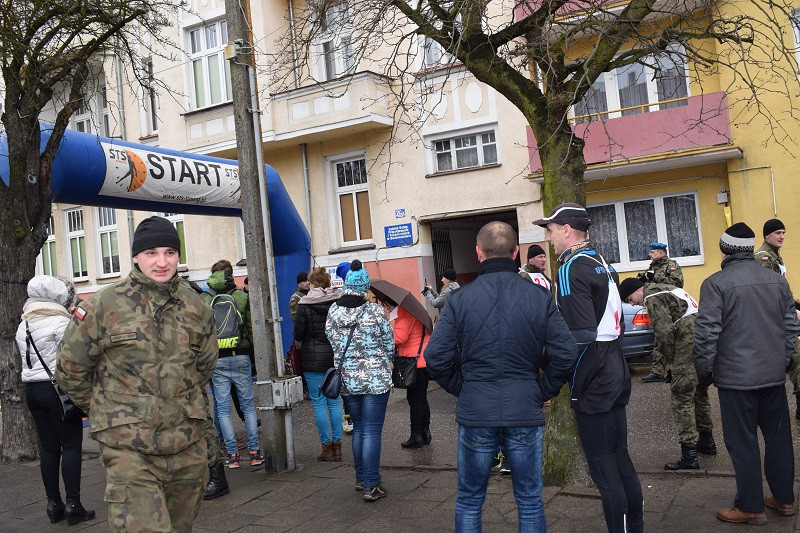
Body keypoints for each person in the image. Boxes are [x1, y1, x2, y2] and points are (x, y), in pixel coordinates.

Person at [56, 216, 218, 532]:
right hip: (129, 448)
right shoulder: (104, 304)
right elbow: (70, 369)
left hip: (187, 445)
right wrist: (110, 410)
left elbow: (203, 366)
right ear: (135, 256)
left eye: (169, 252)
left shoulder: (196, 306)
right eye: (151, 253)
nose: (161, 262)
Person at [425, 221, 578, 532]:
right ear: (516, 252)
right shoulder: (540, 296)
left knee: (469, 499)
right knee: (530, 499)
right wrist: (542, 390)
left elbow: (435, 357)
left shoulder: (458, 299)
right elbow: (566, 352)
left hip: (477, 412)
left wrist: (465, 389)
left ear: (479, 253)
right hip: (524, 408)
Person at [534, 203, 644, 533]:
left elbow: (578, 336)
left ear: (567, 229)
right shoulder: (601, 261)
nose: (549, 237)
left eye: (551, 230)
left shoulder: (569, 266)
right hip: (615, 366)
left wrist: (548, 379)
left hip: (593, 374)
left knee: (604, 469)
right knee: (620, 460)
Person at [694, 222, 799, 525]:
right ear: (750, 249)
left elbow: (706, 335)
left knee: (743, 443)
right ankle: (784, 499)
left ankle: (750, 507)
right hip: (772, 376)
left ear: (724, 250)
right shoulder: (775, 281)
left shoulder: (715, 284)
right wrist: (782, 361)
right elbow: (791, 325)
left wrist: (705, 372)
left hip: (735, 379)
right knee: (779, 439)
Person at [16, 276, 95, 525]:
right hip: (57, 391)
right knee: (71, 446)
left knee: (49, 448)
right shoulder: (60, 322)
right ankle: (73, 504)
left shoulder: (24, 324)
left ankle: (53, 504)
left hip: (32, 390)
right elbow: (74, 358)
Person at [619, 277, 716, 471]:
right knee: (699, 392)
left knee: (681, 397)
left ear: (638, 290)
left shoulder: (652, 297)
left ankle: (689, 456)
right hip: (702, 341)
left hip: (686, 344)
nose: (632, 303)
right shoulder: (666, 288)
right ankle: (707, 441)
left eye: (630, 298)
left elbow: (664, 333)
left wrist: (669, 362)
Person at [326, 260, 394, 502]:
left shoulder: (333, 310)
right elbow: (388, 344)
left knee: (359, 428)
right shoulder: (375, 311)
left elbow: (330, 339)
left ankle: (360, 478)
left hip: (347, 381)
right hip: (376, 381)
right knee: (372, 431)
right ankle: (372, 485)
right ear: (365, 286)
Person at [204, 259, 263, 469]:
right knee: (247, 406)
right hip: (241, 356)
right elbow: (250, 327)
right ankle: (255, 453)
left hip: (217, 359)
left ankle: (232, 456)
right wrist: (255, 356)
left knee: (222, 409)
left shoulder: (204, 300)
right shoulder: (241, 297)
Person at [294, 267, 343, 462]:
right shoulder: (336, 302)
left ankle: (327, 448)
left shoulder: (304, 304)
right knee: (334, 400)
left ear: (312, 284)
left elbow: (298, 334)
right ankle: (338, 446)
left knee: (319, 401)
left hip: (311, 359)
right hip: (333, 357)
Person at [755, 218, 800, 419]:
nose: (781, 236)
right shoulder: (764, 258)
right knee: (794, 359)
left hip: (782, 317)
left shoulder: (775, 256)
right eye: (777, 233)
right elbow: (768, 294)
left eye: (783, 232)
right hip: (773, 321)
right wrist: (790, 312)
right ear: (766, 235)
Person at [379, 296, 432, 449]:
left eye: (386, 305)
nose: (386, 308)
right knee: (421, 398)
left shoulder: (403, 314)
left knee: (415, 399)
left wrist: (385, 336)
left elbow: (399, 338)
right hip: (423, 360)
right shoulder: (414, 312)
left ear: (392, 303)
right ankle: (425, 433)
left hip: (413, 362)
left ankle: (416, 436)